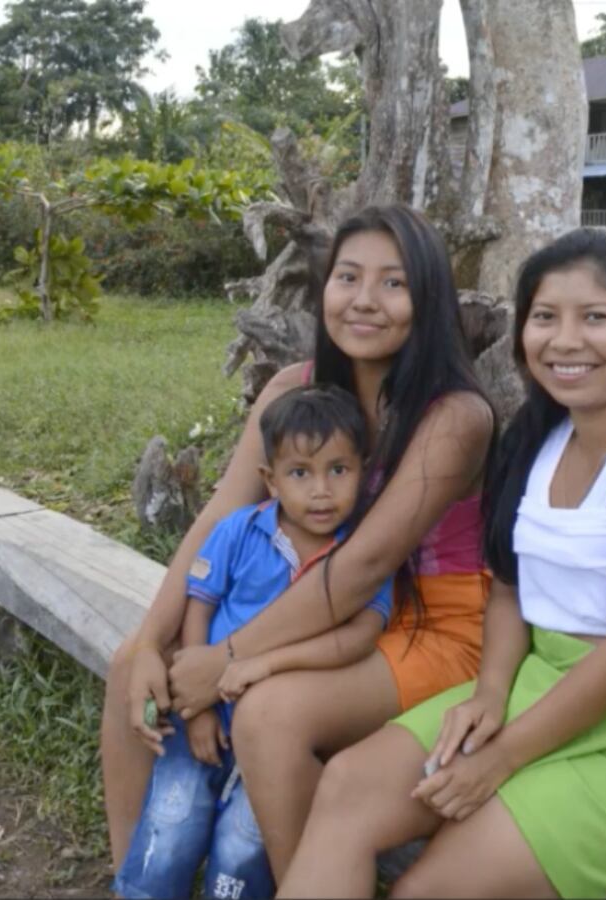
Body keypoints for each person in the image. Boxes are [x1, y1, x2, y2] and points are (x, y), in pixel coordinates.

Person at [276, 226, 606, 898]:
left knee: (428, 890)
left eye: (595, 318)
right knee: (347, 790)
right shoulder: (542, 435)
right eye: (544, 317)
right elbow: (507, 588)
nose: (564, 341)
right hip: (542, 682)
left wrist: (499, 759)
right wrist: (490, 695)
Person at [100, 204, 497, 880]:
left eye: (393, 283)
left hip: (431, 628)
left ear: (427, 299)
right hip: (306, 599)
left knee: (270, 713)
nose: (365, 301)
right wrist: (149, 641)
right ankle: (133, 881)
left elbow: (363, 564)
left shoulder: (454, 416)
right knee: (127, 672)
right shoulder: (293, 389)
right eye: (348, 277)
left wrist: (223, 656)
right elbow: (219, 519)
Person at [113, 384, 394, 900]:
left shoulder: (360, 551)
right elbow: (199, 609)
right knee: (171, 820)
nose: (321, 491)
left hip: (276, 738)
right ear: (269, 480)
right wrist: (195, 710)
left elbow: (360, 637)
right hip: (204, 717)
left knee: (242, 846)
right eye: (299, 473)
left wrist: (268, 664)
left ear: (364, 470)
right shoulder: (241, 531)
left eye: (339, 470)